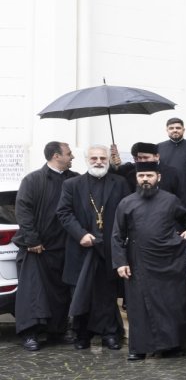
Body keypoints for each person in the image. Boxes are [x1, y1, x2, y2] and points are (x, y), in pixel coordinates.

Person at [111, 161, 186, 361]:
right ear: (136, 179)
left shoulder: (171, 200)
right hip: (138, 263)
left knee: (170, 305)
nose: (145, 179)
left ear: (159, 177)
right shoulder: (126, 203)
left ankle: (170, 347)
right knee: (139, 307)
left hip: (169, 263)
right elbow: (117, 235)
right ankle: (138, 348)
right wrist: (121, 262)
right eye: (141, 176)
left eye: (149, 175)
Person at [56, 145, 130, 350]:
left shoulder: (120, 183)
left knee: (107, 293)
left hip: (108, 247)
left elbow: (126, 212)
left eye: (102, 158)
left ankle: (109, 334)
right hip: (81, 247)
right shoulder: (72, 184)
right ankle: (82, 335)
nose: (98, 161)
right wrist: (80, 234)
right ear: (87, 159)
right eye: (94, 158)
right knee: (82, 292)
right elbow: (64, 213)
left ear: (108, 159)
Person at [15, 142, 79, 351]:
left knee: (60, 292)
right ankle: (30, 333)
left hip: (65, 247)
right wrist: (32, 240)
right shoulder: (33, 180)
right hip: (38, 248)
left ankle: (57, 330)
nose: (72, 157)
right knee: (33, 291)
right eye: (69, 154)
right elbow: (23, 211)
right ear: (55, 156)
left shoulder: (75, 179)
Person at [157, 117, 186, 211]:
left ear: (183, 130)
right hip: (165, 190)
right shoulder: (158, 147)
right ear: (167, 130)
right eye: (171, 128)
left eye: (178, 128)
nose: (175, 130)